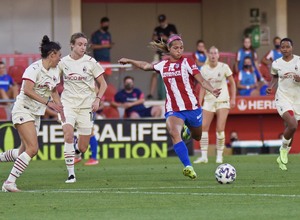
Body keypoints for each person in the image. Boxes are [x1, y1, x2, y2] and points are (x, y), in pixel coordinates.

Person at [118, 34, 221, 179]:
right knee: (173, 132)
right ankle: (188, 166)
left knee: (197, 136)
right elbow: (146, 66)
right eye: (176, 48)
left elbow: (201, 80)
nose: (179, 51)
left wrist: (212, 89)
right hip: (174, 109)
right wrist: (130, 60)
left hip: (192, 108)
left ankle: (187, 130)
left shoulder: (187, 62)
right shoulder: (163, 64)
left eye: (181, 48)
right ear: (169, 49)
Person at [1, 35, 64, 192]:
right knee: (33, 148)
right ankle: (9, 183)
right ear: (52, 54)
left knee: (22, 151)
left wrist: (60, 108)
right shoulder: (33, 69)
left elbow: (54, 90)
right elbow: (27, 90)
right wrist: (48, 103)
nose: (60, 58)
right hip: (23, 109)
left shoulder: (55, 70)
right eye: (59, 55)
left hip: (35, 114)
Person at [59, 32, 107, 183]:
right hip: (68, 104)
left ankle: (78, 153)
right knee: (68, 135)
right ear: (72, 45)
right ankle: (71, 175)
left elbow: (103, 84)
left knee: (84, 147)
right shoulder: (62, 62)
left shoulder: (91, 62)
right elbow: (53, 81)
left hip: (86, 106)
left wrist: (97, 99)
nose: (82, 47)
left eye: (85, 45)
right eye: (79, 44)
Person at [193, 46, 236, 164]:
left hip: (222, 100)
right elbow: (202, 86)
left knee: (220, 128)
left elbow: (232, 83)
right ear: (208, 55)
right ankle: (204, 156)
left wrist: (233, 98)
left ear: (218, 55)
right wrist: (199, 103)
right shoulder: (204, 69)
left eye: (215, 53)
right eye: (211, 53)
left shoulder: (224, 67)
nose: (212, 55)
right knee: (203, 127)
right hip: (208, 100)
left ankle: (219, 156)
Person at [266, 38, 300, 171]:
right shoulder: (276, 63)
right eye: (283, 47)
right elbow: (275, 76)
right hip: (282, 97)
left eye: (287, 47)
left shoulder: (298, 60)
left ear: (292, 47)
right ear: (280, 49)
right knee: (292, 125)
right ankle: (283, 150)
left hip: (297, 99)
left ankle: (282, 156)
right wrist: (271, 87)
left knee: (290, 128)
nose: (285, 49)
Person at [147, 14, 178, 100]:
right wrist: (157, 38)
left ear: (166, 20)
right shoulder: (157, 29)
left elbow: (176, 39)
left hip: (169, 54)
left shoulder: (171, 27)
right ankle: (151, 94)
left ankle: (174, 93)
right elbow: (152, 39)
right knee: (154, 71)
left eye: (163, 21)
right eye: (160, 21)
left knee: (172, 72)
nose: (162, 23)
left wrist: (166, 37)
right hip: (159, 53)